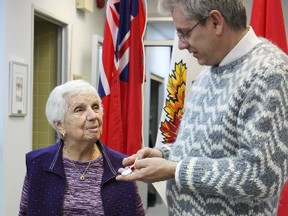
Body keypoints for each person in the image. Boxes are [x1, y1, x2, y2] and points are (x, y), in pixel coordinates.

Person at [116, 0, 288, 215]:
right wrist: (164, 154)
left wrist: (174, 169)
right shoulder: (210, 70)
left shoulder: (270, 72)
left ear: (215, 22)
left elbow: (262, 176)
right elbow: (206, 147)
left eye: (184, 32)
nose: (181, 45)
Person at [19, 80, 145, 216]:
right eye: (79, 109)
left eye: (95, 107)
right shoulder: (38, 164)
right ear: (60, 125)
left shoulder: (121, 165)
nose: (93, 116)